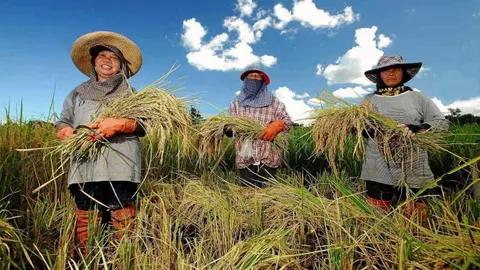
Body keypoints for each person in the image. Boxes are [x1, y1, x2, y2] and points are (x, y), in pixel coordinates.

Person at [56, 31, 144, 256]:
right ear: (93, 63)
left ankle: (121, 259)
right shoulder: (77, 94)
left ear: (121, 66)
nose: (107, 60)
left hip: (121, 166)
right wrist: (64, 130)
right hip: (85, 166)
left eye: (114, 57)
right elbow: (64, 119)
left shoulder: (132, 95)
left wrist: (122, 124)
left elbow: (145, 124)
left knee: (122, 220)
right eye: (102, 55)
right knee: (86, 219)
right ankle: (89, 260)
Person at [360, 55, 449, 215]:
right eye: (385, 70)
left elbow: (441, 122)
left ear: (403, 73)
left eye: (396, 69)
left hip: (414, 165)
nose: (391, 73)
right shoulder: (368, 101)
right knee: (377, 217)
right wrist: (365, 129)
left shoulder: (418, 98)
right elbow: (360, 127)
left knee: (415, 219)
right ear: (379, 74)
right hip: (378, 166)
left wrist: (422, 127)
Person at [227, 65, 293, 188]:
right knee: (248, 192)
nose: (254, 79)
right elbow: (231, 126)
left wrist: (278, 125)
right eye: (251, 76)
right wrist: (228, 129)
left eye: (258, 77)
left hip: (269, 155)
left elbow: (287, 121)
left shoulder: (274, 102)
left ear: (263, 82)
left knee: (268, 194)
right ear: (245, 80)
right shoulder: (236, 103)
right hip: (245, 155)